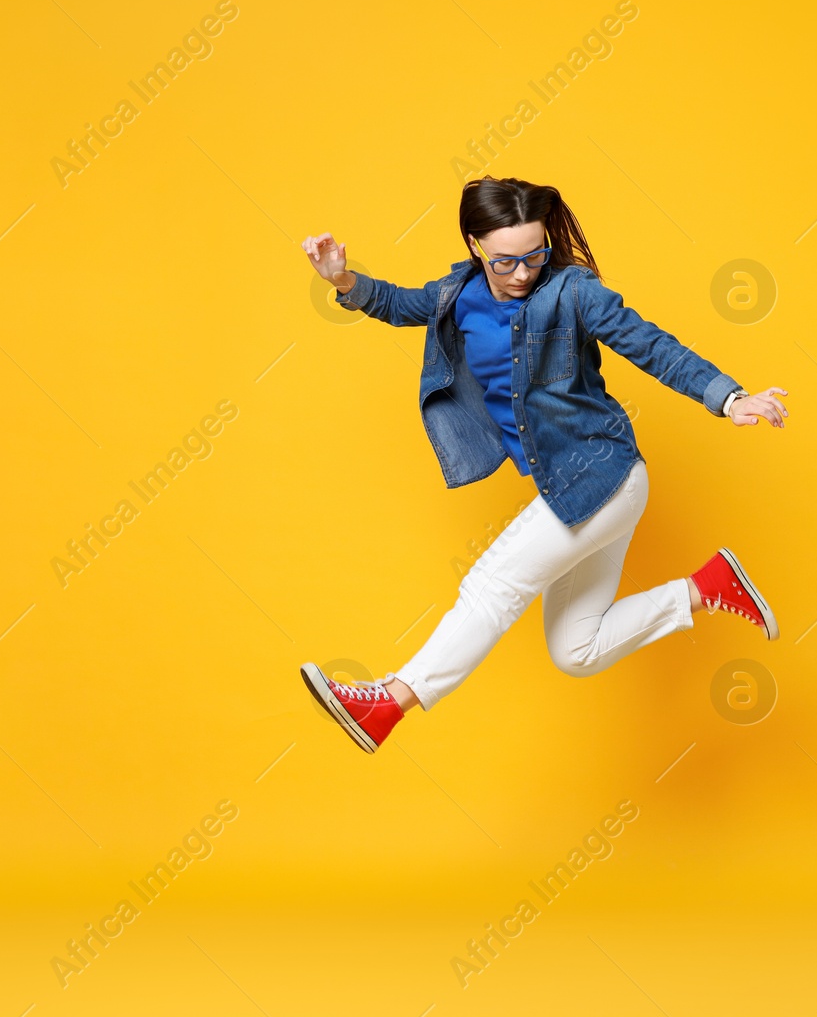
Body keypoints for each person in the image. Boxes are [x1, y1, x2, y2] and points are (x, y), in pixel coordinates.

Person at [298, 176, 788, 754]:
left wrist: (729, 398)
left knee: (491, 585)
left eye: (535, 255)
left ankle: (387, 703)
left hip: (601, 472)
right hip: (577, 486)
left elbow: (650, 345)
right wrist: (343, 281)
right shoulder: (458, 294)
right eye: (506, 260)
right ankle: (705, 589)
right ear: (477, 245)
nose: (523, 273)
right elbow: (401, 304)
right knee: (576, 650)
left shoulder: (573, 292)